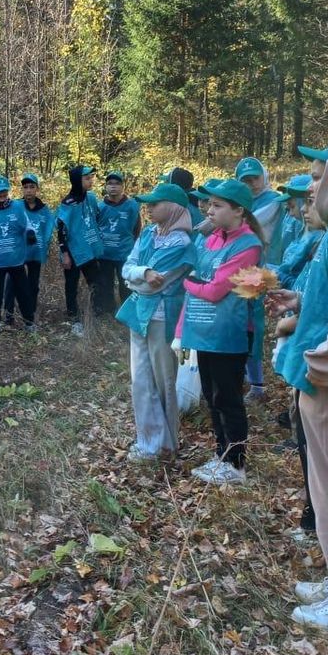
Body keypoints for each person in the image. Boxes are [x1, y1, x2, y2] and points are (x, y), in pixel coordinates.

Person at [269, 143, 328, 632]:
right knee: (326, 486)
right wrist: (301, 300)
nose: (310, 186)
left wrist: (319, 365)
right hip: (321, 383)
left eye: (319, 176)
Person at [178, 179, 263, 485]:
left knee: (228, 398)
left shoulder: (248, 245)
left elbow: (215, 290)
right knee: (212, 397)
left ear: (239, 210)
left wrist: (188, 282)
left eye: (217, 205)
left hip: (229, 333)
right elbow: (201, 274)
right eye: (209, 204)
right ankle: (221, 455)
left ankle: (236, 464)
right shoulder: (213, 239)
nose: (209, 211)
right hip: (205, 330)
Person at [116, 183, 196, 461]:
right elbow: (127, 268)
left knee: (164, 380)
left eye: (155, 203)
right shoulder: (149, 233)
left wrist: (138, 279)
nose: (149, 208)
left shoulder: (181, 244)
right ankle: (148, 440)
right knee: (141, 379)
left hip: (163, 317)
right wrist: (144, 272)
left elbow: (151, 287)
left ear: (173, 208)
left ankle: (166, 444)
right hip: (139, 314)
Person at [234, 156, 281, 401]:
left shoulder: (273, 202)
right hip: (237, 267)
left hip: (259, 270)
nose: (251, 184)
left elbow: (251, 224)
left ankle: (258, 385)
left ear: (265, 177)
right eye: (245, 180)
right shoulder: (238, 201)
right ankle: (240, 374)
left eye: (255, 178)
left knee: (252, 323)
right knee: (236, 320)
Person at [0, 176, 36, 336]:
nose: (2, 198)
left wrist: (30, 232)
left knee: (23, 291)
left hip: (16, 258)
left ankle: (29, 323)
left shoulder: (17, 206)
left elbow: (27, 223)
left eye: (4, 194)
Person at [57, 164, 104, 334]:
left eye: (92, 177)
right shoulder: (68, 203)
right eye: (87, 178)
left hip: (90, 249)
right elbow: (61, 230)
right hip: (73, 251)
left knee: (96, 282)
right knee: (72, 285)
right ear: (77, 180)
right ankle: (74, 317)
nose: (91, 181)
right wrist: (65, 254)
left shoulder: (91, 198)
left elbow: (96, 217)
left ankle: (96, 314)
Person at [3, 173, 54, 324]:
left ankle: (29, 314)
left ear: (37, 189)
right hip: (18, 252)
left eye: (32, 187)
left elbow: (48, 230)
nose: (29, 190)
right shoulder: (16, 206)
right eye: (25, 187)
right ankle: (8, 314)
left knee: (33, 283)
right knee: (12, 282)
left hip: (35, 252)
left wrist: (45, 247)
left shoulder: (44, 210)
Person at [97, 171, 141, 314]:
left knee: (126, 284)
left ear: (123, 187)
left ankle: (126, 312)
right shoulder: (99, 207)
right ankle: (109, 312)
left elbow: (136, 228)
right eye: (110, 184)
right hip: (104, 254)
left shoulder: (132, 206)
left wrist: (132, 247)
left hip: (125, 253)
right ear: (105, 187)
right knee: (105, 284)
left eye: (117, 184)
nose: (113, 187)